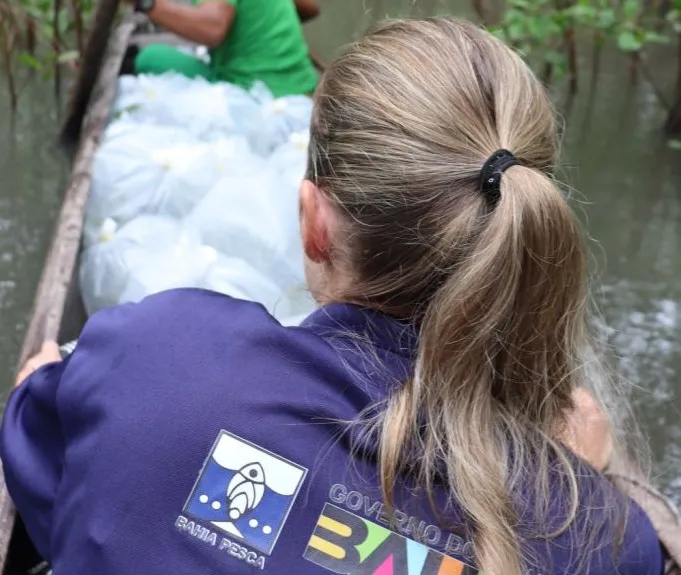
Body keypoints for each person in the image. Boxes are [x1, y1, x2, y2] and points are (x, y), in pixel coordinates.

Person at [1, 18, 664, 575]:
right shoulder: (602, 535)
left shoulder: (155, 354)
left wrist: (56, 378)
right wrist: (591, 479)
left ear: (314, 221)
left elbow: (44, 459)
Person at [130, 0, 320, 97]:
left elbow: (212, 29)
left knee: (149, 58)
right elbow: (310, 8)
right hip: (303, 84)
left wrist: (146, 3)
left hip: (254, 92)